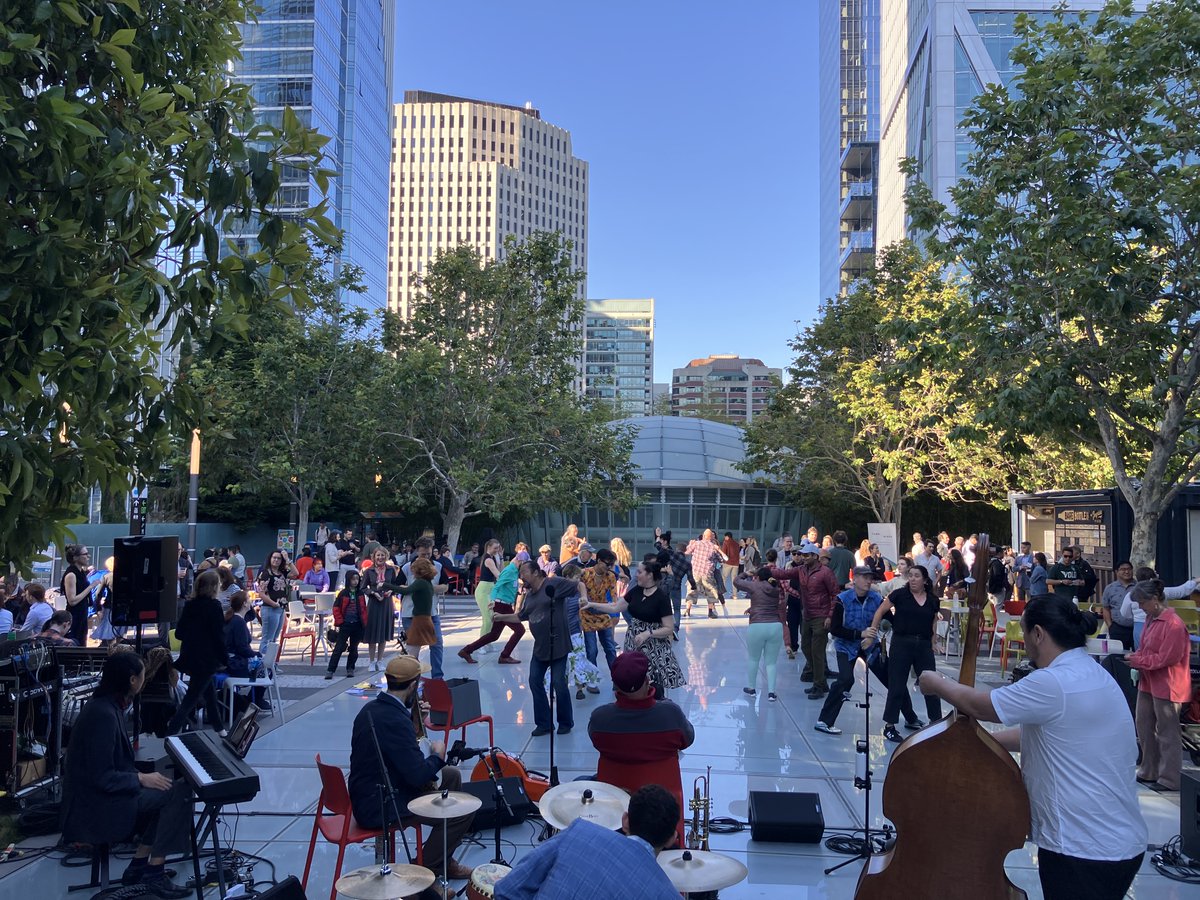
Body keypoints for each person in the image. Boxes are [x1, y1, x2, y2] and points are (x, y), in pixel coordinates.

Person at [917, 594, 1147, 900]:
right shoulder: (1092, 673)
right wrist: (981, 745)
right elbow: (1051, 738)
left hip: (1083, 847)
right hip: (1116, 841)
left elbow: (982, 706)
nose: (1024, 640)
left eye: (1024, 632)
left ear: (1038, 634)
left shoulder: (1054, 682)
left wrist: (935, 682)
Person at [61, 652, 194, 898]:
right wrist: (141, 778)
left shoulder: (107, 705)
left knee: (169, 787)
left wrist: (143, 777)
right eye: (143, 675)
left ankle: (141, 864)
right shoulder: (103, 714)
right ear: (133, 680)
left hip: (100, 795)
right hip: (94, 806)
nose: (146, 679)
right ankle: (153, 871)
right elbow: (101, 776)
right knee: (179, 793)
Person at [348, 656, 475, 896]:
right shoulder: (394, 720)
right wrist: (437, 755)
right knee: (462, 811)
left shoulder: (375, 708)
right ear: (413, 685)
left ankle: (444, 859)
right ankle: (422, 877)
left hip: (378, 789)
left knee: (451, 776)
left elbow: (403, 754)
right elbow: (417, 776)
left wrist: (415, 717)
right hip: (381, 804)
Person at [494, 785, 682, 900]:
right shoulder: (669, 896)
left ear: (625, 821)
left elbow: (508, 889)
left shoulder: (579, 831)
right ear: (672, 838)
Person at [588, 652, 694, 818]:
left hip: (616, 803)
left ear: (615, 685)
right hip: (663, 804)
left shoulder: (600, 719)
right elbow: (688, 739)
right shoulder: (670, 714)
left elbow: (596, 742)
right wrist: (664, 702)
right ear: (647, 681)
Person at [816, 567, 919, 735]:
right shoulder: (842, 600)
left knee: (892, 679)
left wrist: (898, 624)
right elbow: (835, 630)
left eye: (870, 577)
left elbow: (890, 620)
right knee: (845, 679)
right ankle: (824, 721)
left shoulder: (877, 599)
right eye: (865, 577)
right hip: (845, 645)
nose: (869, 581)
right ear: (854, 579)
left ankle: (911, 718)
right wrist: (859, 633)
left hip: (871, 644)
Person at [494, 562, 576, 736]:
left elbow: (579, 585)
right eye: (520, 573)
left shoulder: (553, 584)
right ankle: (544, 724)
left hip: (559, 645)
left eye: (524, 572)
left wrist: (583, 598)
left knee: (558, 683)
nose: (521, 577)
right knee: (534, 681)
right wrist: (501, 616)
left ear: (537, 572)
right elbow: (521, 616)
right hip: (541, 648)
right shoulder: (529, 595)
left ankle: (565, 722)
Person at [1126, 579, 1192, 791]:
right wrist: (1136, 657)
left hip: (1168, 683)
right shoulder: (1150, 619)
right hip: (1148, 680)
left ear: (1155, 600)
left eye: (1143, 603)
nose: (1141, 608)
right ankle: (1149, 769)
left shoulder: (1173, 624)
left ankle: (1170, 778)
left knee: (1167, 732)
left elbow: (1167, 658)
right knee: (1144, 725)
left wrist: (1138, 660)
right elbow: (1146, 648)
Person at [869, 564, 942, 743]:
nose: (913, 579)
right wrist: (873, 630)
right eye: (910, 576)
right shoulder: (900, 595)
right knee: (897, 684)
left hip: (923, 644)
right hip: (902, 642)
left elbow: (933, 621)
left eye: (917, 576)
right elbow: (881, 610)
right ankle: (890, 725)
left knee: (931, 683)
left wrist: (934, 642)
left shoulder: (933, 599)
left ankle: (936, 722)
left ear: (925, 580)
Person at [601, 561, 685, 699]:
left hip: (653, 647)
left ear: (650, 575)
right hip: (634, 641)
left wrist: (648, 633)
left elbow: (669, 628)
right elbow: (615, 607)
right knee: (633, 678)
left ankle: (656, 709)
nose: (636, 575)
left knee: (653, 683)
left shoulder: (661, 597)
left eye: (639, 572)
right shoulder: (636, 591)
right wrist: (590, 604)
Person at [167, 569, 227, 735]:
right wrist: (225, 658)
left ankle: (219, 728)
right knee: (191, 699)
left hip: (190, 656)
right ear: (214, 587)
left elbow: (179, 633)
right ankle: (170, 732)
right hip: (207, 659)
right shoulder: (215, 606)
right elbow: (218, 635)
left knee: (209, 693)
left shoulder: (190, 605)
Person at [458, 555, 525, 664]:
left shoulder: (514, 571)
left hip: (505, 605)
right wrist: (492, 600)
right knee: (520, 630)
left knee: (494, 635)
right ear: (520, 561)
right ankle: (504, 656)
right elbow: (497, 586)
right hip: (502, 606)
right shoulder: (509, 571)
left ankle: (466, 650)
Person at [735, 566, 786, 700]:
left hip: (757, 625)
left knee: (753, 659)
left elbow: (736, 581)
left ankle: (752, 688)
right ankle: (771, 692)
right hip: (775, 625)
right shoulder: (775, 588)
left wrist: (745, 573)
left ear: (757, 577)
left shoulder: (754, 586)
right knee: (771, 662)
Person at [401, 537, 449, 678]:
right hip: (411, 612)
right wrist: (415, 588)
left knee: (437, 643)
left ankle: (437, 677)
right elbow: (398, 585)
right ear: (417, 552)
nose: (427, 557)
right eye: (423, 554)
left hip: (431, 612)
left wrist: (430, 588)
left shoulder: (438, 567)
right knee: (413, 648)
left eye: (429, 554)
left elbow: (445, 586)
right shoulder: (407, 567)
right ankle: (413, 678)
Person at [555, 563, 602, 699]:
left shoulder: (578, 589)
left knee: (578, 659)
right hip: (561, 632)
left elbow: (586, 603)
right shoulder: (558, 591)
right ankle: (559, 686)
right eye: (576, 577)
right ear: (568, 577)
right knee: (562, 661)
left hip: (575, 630)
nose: (578, 579)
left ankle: (579, 688)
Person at [579, 548, 623, 684]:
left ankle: (617, 680)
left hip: (603, 613)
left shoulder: (610, 576)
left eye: (611, 565)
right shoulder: (585, 574)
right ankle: (592, 680)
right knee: (591, 650)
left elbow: (614, 597)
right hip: (587, 615)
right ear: (598, 561)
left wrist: (615, 613)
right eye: (607, 564)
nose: (609, 568)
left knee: (610, 648)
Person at [393, 557, 439, 670]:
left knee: (412, 654)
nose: (412, 572)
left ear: (419, 570)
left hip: (419, 621)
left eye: (413, 569)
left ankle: (412, 678)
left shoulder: (420, 582)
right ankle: (414, 678)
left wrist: (384, 585)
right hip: (424, 619)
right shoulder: (427, 583)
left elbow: (405, 591)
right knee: (413, 651)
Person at [361, 547, 400, 672]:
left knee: (383, 631)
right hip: (374, 603)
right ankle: (372, 661)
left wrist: (390, 591)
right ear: (374, 557)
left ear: (386, 556)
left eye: (382, 555)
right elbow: (363, 588)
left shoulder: (391, 570)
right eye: (378, 555)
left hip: (386, 603)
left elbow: (396, 585)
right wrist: (372, 593)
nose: (380, 558)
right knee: (372, 631)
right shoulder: (369, 571)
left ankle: (380, 660)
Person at [325, 570, 368, 679]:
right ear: (348, 580)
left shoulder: (360, 593)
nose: (355, 581)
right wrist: (340, 621)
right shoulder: (343, 593)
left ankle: (350, 668)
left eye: (357, 579)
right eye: (353, 579)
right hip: (345, 624)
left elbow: (363, 609)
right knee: (338, 648)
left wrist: (364, 623)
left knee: (354, 648)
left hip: (357, 624)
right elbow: (336, 608)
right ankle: (330, 670)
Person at [254, 549, 296, 654]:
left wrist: (287, 560)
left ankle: (271, 665)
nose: (276, 560)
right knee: (267, 639)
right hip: (270, 608)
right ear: (270, 559)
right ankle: (262, 665)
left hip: (280, 609)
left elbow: (296, 573)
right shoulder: (265, 573)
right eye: (274, 558)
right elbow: (261, 593)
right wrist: (274, 604)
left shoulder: (282, 572)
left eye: (279, 558)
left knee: (274, 639)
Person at [683, 529, 725, 619]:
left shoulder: (696, 543)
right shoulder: (713, 547)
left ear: (703, 536)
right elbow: (721, 560)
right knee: (710, 592)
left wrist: (691, 544)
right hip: (707, 573)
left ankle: (688, 610)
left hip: (695, 572)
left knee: (691, 590)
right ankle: (710, 612)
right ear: (711, 537)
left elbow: (686, 552)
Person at [60, 544, 94, 646]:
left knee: (82, 641)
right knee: (75, 642)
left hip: (82, 613)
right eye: (85, 554)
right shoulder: (71, 574)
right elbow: (72, 600)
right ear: (75, 557)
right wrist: (91, 587)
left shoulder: (81, 572)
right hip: (74, 615)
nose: (88, 556)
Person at [1100, 560, 1136, 648]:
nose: (1127, 572)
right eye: (1123, 569)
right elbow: (1106, 608)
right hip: (1117, 628)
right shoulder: (1110, 588)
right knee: (1118, 656)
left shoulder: (1139, 587)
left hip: (1137, 628)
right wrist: (1110, 626)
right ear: (1116, 572)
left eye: (1129, 569)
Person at [474, 539, 503, 639]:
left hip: (490, 589)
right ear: (489, 547)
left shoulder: (492, 558)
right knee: (488, 617)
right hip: (483, 591)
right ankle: (481, 644)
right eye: (495, 548)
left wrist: (501, 557)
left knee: (492, 617)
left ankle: (487, 641)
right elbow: (498, 575)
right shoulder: (488, 559)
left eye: (498, 548)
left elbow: (501, 571)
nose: (497, 550)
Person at [720, 531, 741, 597]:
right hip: (736, 564)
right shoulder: (737, 544)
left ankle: (722, 593)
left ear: (727, 537)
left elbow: (723, 552)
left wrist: (722, 561)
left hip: (727, 563)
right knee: (734, 579)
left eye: (725, 537)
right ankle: (735, 595)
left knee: (723, 578)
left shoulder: (726, 542)